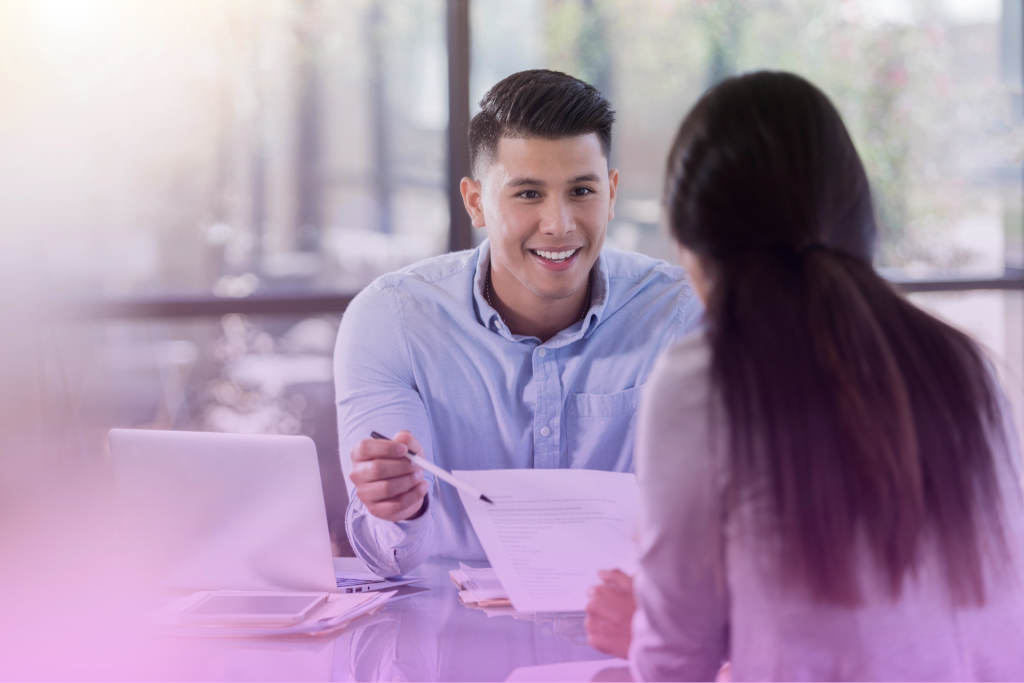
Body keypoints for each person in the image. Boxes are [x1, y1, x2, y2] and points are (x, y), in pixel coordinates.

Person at [584, 70, 1024, 680]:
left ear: (687, 239)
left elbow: (675, 667)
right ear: (858, 220)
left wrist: (640, 633)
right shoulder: (965, 367)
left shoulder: (707, 381)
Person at [334, 69, 701, 577]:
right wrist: (401, 508)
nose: (559, 224)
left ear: (612, 193)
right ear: (475, 202)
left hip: (623, 636)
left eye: (581, 191)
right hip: (444, 642)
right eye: (528, 194)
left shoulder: (682, 316)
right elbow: (389, 557)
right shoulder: (392, 321)